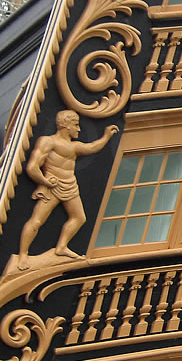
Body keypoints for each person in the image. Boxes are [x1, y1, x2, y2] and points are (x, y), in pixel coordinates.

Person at [17, 110, 119, 267]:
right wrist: (45, 181)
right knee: (37, 221)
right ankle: (23, 255)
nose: (78, 129)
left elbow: (92, 147)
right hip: (53, 186)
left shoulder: (74, 146)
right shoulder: (48, 142)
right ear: (65, 125)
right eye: (76, 125)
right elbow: (32, 167)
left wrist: (106, 136)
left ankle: (61, 247)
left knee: (79, 218)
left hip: (70, 185)